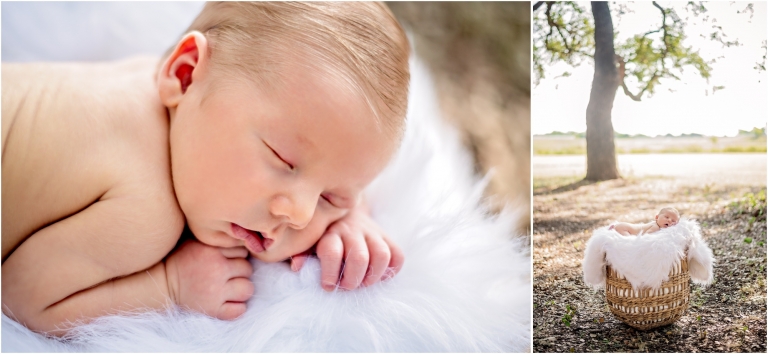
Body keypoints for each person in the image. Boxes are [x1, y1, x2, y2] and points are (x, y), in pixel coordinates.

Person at [2, 2, 408, 335]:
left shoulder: (170, 95)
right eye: (284, 160)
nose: (300, 215)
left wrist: (350, 215)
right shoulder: (144, 209)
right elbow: (22, 294)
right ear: (184, 72)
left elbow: (333, 149)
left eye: (329, 197)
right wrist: (168, 285)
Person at [608, 207, 680, 236]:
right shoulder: (655, 227)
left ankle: (613, 230)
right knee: (629, 243)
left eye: (673, 221)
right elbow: (646, 236)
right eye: (666, 217)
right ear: (657, 217)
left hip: (623, 226)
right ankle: (615, 230)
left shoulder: (655, 224)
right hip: (625, 229)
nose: (669, 220)